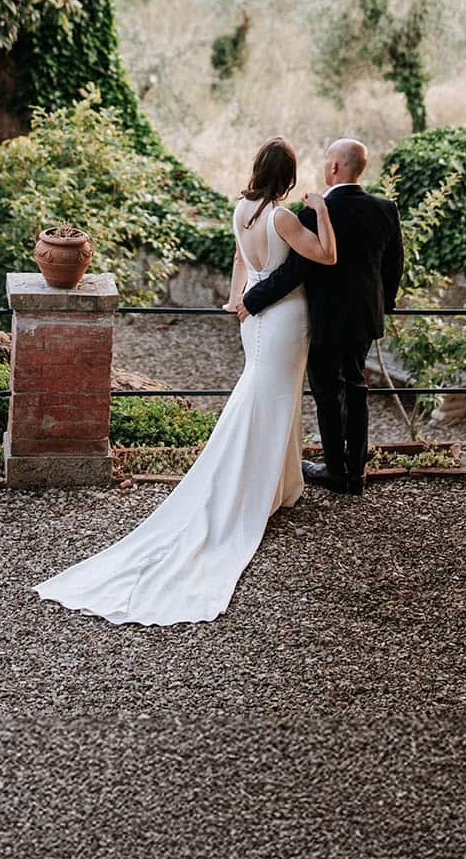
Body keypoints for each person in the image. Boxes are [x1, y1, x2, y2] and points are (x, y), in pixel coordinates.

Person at [36, 136, 339, 625]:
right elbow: (325, 256)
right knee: (275, 400)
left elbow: (242, 262)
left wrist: (236, 301)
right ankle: (258, 488)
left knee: (266, 397)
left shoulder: (242, 209)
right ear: (286, 176)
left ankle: (280, 485)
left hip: (254, 318)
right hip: (282, 319)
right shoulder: (284, 217)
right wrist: (321, 209)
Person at [234, 138, 403, 494]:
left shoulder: (313, 211)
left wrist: (253, 299)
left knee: (327, 393)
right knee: (356, 388)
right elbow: (392, 269)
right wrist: (381, 308)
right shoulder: (386, 209)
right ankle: (356, 472)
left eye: (327, 159)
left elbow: (296, 270)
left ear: (335, 168)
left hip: (323, 317)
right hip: (364, 319)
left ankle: (335, 470)